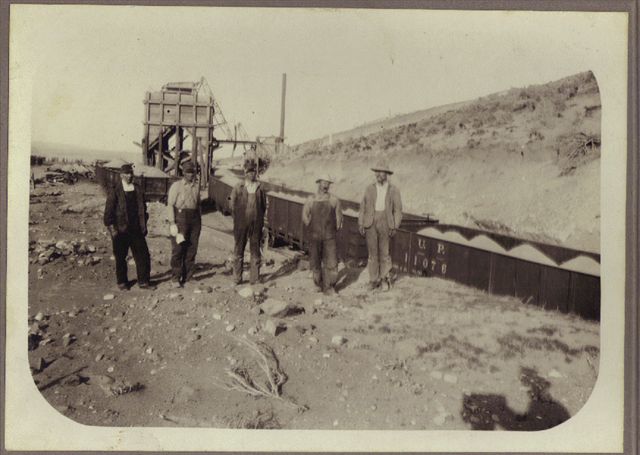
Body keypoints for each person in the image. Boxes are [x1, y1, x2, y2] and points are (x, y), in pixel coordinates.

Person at [103, 163, 154, 290]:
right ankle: (122, 282)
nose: (129, 176)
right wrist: (113, 229)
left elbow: (143, 208)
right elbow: (108, 212)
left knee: (143, 255)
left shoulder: (137, 189)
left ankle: (143, 281)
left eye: (131, 173)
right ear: (121, 175)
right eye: (126, 174)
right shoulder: (115, 190)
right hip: (120, 229)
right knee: (120, 257)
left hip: (136, 228)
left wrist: (143, 223)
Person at [358, 160, 403, 291]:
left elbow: (398, 210)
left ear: (386, 174)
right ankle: (373, 280)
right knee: (372, 254)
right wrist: (361, 223)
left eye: (381, 172)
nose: (378, 174)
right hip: (370, 222)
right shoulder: (369, 189)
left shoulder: (393, 190)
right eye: (376, 171)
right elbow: (362, 207)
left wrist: (394, 226)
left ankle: (384, 279)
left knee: (385, 253)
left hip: (385, 222)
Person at [303, 174, 343, 295]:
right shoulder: (311, 199)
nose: (326, 185)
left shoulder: (334, 200)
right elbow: (305, 216)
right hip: (315, 237)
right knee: (315, 262)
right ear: (319, 183)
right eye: (323, 182)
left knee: (332, 263)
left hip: (329, 237)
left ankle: (330, 287)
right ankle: (318, 285)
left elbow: (339, 217)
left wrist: (334, 230)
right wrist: (311, 226)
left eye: (328, 183)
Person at [229, 161, 267, 285]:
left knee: (255, 251)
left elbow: (263, 206)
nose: (251, 174)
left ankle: (254, 278)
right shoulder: (238, 187)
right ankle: (237, 278)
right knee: (238, 250)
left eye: (253, 172)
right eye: (249, 172)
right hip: (241, 225)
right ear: (245, 173)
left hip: (256, 225)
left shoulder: (260, 188)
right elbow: (232, 204)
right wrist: (238, 219)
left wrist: (260, 221)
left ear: (256, 173)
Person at [167, 161, 201, 288]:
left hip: (194, 219)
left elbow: (198, 205)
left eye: (192, 172)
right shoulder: (176, 186)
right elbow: (170, 205)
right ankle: (175, 278)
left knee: (192, 248)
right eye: (188, 172)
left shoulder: (196, 187)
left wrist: (199, 222)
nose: (190, 174)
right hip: (180, 219)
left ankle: (188, 277)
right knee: (178, 249)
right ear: (183, 173)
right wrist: (172, 222)